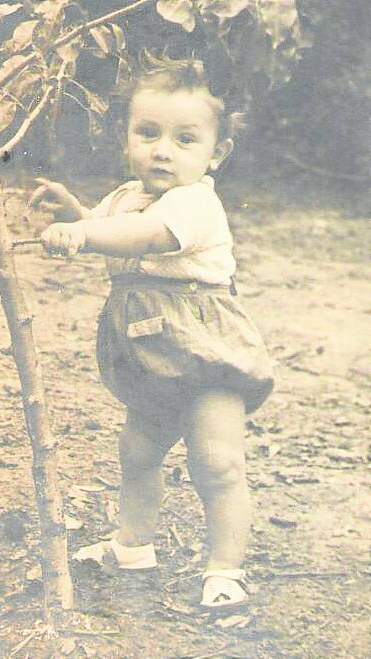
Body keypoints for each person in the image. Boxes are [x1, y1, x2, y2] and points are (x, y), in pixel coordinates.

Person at [30, 58, 274, 609]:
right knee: (137, 451)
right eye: (148, 133)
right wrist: (78, 212)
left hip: (205, 351)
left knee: (217, 462)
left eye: (185, 140)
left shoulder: (194, 202)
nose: (163, 150)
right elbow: (113, 220)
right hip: (152, 354)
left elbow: (144, 236)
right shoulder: (125, 196)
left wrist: (82, 235)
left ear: (216, 154)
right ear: (128, 138)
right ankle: (132, 546)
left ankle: (225, 571)